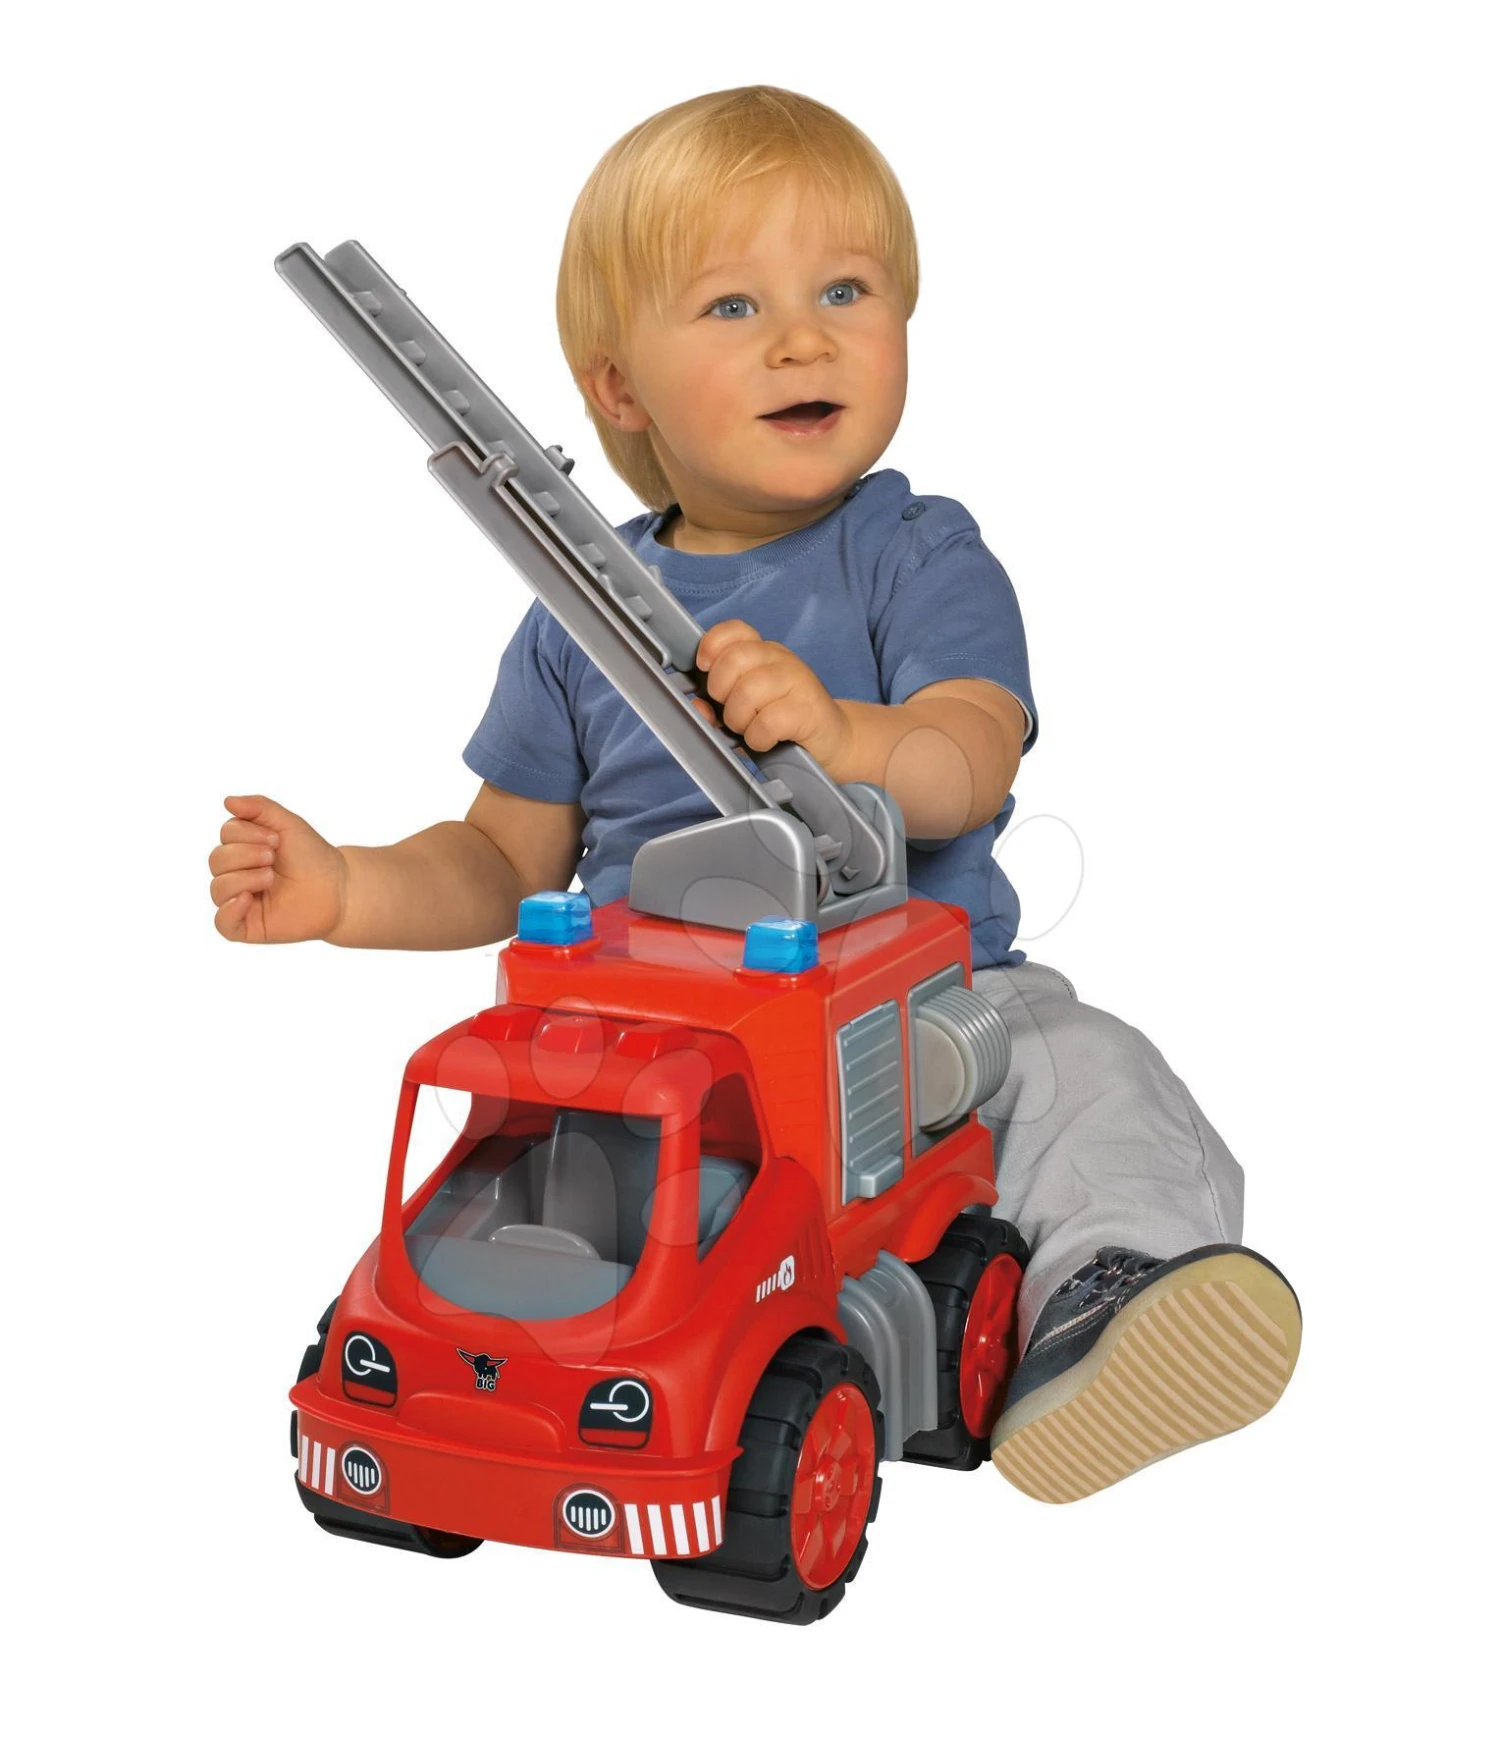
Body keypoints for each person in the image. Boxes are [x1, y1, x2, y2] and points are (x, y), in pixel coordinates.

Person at [209, 86, 1300, 1502]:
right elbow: (500, 861)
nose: (803, 337)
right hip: (658, 1051)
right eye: (734, 306)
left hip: (916, 1013)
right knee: (518, 1152)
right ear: (619, 390)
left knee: (1084, 1069)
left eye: (846, 290)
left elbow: (969, 758)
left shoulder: (917, 557)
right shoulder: (576, 615)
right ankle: (469, 1371)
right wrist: (349, 887)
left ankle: (1104, 1297)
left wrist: (843, 734)